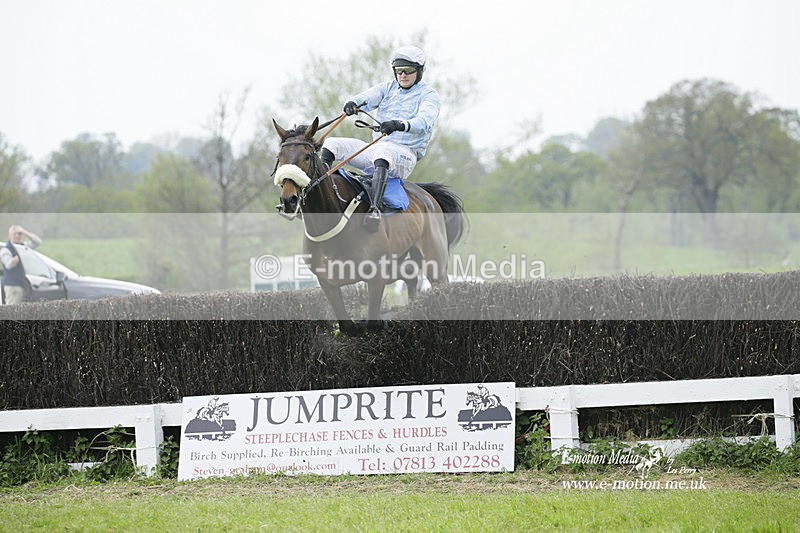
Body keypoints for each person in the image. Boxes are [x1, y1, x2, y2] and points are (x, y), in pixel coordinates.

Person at [321, 45, 441, 232]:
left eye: (408, 70)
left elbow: (424, 121)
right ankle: (320, 194)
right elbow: (367, 97)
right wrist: (353, 103)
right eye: (398, 70)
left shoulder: (429, 95)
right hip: (376, 149)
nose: (402, 75)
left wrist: (398, 124)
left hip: (404, 155)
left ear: (419, 71)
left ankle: (374, 209)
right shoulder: (388, 88)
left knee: (384, 154)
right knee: (331, 144)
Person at [1, 225, 42, 304]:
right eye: (15, 234)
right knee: (12, 311)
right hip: (12, 286)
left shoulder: (22, 246)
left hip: (22, 284)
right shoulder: (5, 250)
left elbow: (37, 242)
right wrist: (20, 255)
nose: (17, 236)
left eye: (19, 234)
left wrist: (25, 232)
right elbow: (9, 264)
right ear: (10, 235)